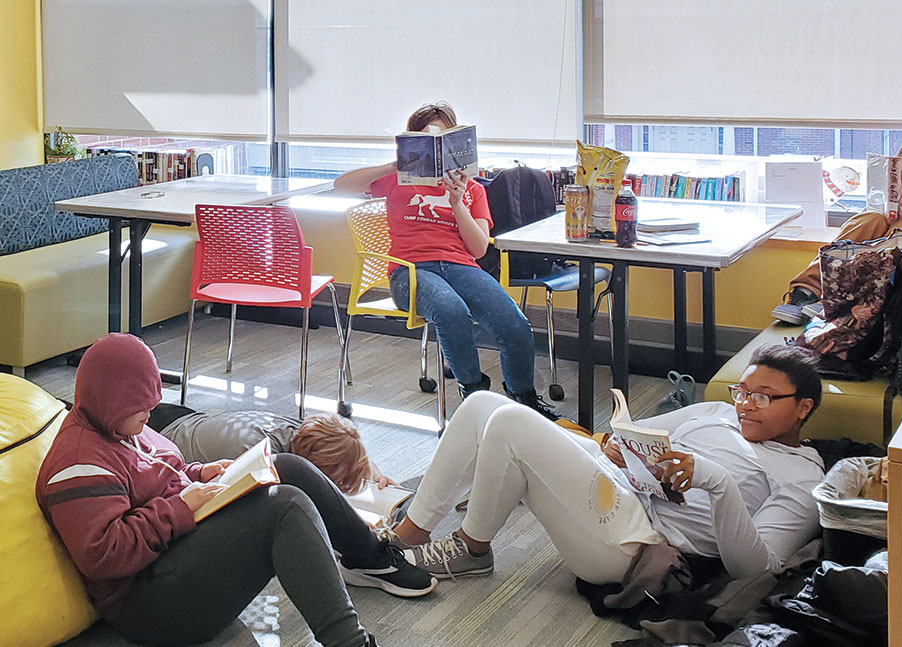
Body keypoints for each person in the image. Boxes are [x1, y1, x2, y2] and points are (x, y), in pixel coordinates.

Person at [35, 334, 435, 647]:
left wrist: (201, 474)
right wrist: (179, 509)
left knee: (288, 467)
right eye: (138, 406)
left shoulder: (121, 428)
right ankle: (350, 642)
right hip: (145, 607)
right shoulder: (78, 464)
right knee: (285, 508)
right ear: (110, 399)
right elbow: (104, 555)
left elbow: (162, 472)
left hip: (173, 560)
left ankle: (371, 557)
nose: (148, 412)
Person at [385, 344, 825, 584]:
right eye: (742, 392)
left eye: (762, 397)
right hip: (615, 482)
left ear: (803, 408)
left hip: (638, 542)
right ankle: (407, 533)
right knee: (482, 403)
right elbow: (635, 433)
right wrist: (618, 446)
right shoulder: (718, 412)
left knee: (510, 422)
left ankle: (471, 548)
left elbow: (756, 569)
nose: (745, 405)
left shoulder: (802, 478)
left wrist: (716, 481)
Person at [333, 101, 556, 419]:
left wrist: (457, 201)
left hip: (461, 266)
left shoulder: (473, 190)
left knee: (516, 325)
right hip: (410, 271)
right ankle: (474, 395)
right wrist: (394, 165)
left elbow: (479, 249)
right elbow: (341, 185)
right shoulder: (398, 180)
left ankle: (524, 399)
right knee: (451, 311)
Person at [773, 134, 902, 325]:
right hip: (884, 227)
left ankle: (839, 297)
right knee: (871, 219)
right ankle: (805, 291)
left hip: (884, 277)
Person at [148, 404, 395, 494]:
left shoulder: (303, 434)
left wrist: (374, 473)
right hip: (159, 441)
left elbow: (346, 438)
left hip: (181, 418)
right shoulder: (257, 457)